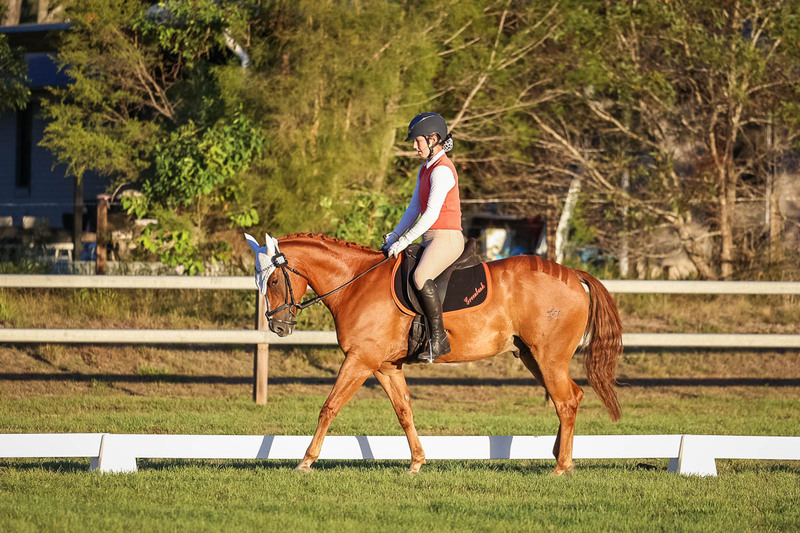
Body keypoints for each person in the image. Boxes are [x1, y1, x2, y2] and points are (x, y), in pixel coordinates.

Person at [382, 112, 464, 360]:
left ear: (433, 139)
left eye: (418, 141)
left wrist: (405, 241)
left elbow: (429, 215)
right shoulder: (425, 170)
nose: (415, 147)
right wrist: (395, 234)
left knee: (420, 276)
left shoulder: (442, 171)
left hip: (447, 238)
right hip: (430, 238)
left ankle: (438, 341)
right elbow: (413, 208)